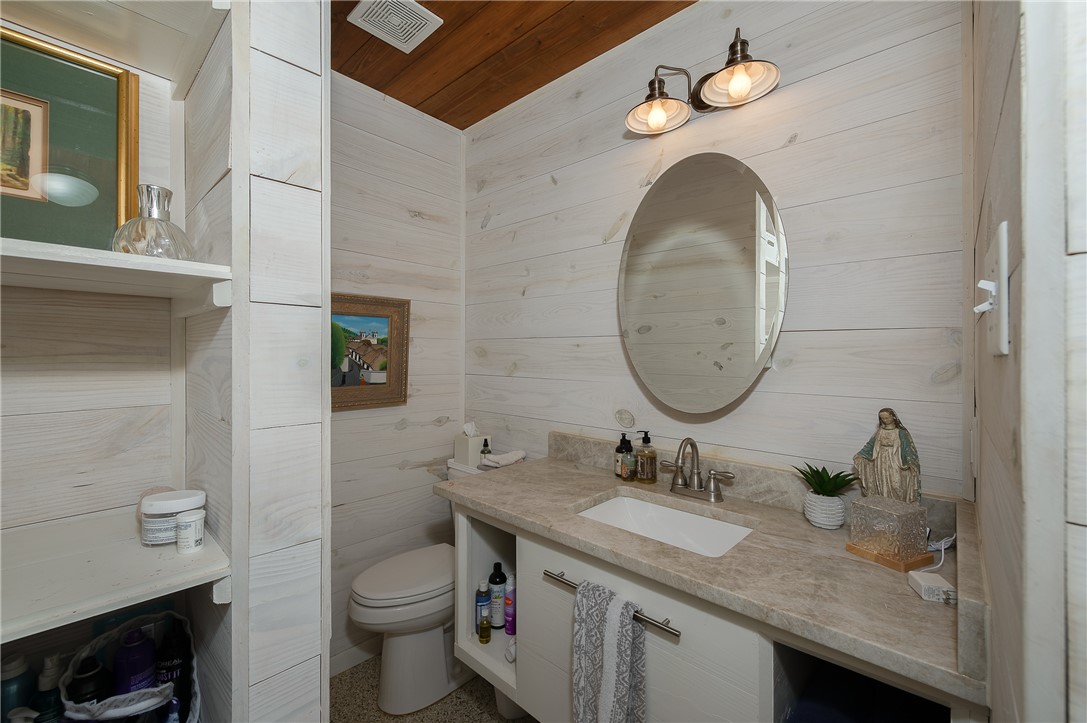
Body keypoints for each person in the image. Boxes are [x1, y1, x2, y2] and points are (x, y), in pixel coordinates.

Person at [853, 407, 921, 504]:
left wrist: (910, 462)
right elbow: (870, 445)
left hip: (895, 460)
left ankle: (897, 504)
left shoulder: (901, 433)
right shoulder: (880, 431)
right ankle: (883, 503)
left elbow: (908, 448)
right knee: (882, 481)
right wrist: (861, 454)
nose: (885, 420)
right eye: (882, 418)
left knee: (896, 483)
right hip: (880, 460)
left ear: (893, 417)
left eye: (887, 418)